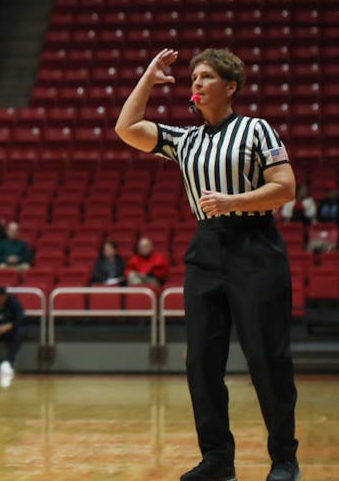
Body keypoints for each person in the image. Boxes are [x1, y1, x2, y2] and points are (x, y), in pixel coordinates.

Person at [115, 48, 300, 481]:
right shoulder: (186, 140)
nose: (195, 84)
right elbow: (126, 128)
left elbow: (286, 187)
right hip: (207, 250)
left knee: (267, 357)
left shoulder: (257, 129)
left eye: (205, 77)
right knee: (201, 360)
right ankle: (218, 459)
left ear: (229, 86)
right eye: (193, 77)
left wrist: (231, 201)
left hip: (256, 247)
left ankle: (284, 460)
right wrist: (147, 78)